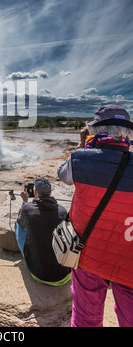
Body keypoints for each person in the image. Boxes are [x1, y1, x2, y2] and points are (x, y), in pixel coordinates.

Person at [57, 104, 133, 327]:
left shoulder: (80, 159)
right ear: (127, 133)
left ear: (94, 131)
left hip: (87, 255)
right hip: (128, 259)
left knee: (85, 318)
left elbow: (63, 174)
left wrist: (82, 146)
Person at [15, 178, 71, 286]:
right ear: (50, 192)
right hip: (65, 275)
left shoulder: (26, 209)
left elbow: (21, 222)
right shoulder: (62, 211)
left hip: (39, 275)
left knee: (19, 224)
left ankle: (28, 254)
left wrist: (25, 202)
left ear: (35, 192)